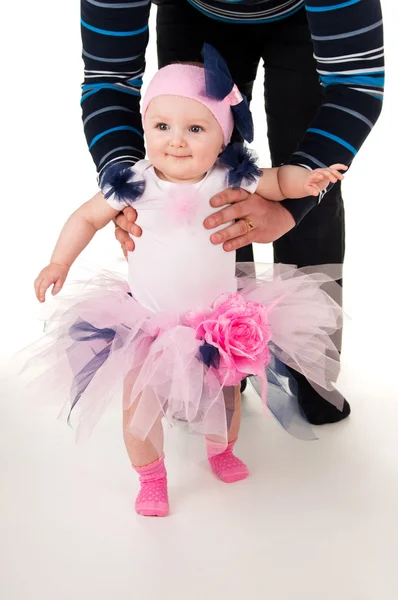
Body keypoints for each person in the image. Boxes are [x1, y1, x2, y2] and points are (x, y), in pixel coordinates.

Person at [30, 49, 345, 517]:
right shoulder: (134, 182)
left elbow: (278, 180)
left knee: (225, 396)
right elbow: (86, 217)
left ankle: (222, 450)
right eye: (162, 127)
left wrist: (309, 180)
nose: (176, 141)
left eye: (195, 129)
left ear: (222, 138)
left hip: (216, 322)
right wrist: (59, 261)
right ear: (145, 129)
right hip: (146, 324)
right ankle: (151, 478)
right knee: (140, 407)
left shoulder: (230, 177)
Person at [80, 0, 384, 424]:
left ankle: (311, 368)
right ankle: (210, 364)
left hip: (303, 21)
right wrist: (128, 183)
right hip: (193, 12)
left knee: (312, 182)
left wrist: (292, 207)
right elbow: (109, 79)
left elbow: (356, 81)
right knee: (198, 174)